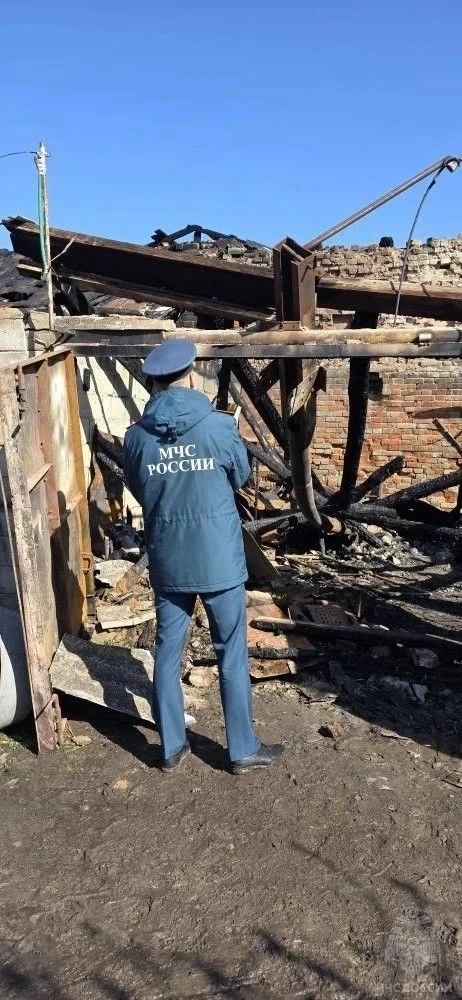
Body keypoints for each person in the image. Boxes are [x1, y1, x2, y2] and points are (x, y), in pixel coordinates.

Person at [123, 338, 283, 775]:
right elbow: (241, 475)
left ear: (154, 383)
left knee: (166, 654)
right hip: (218, 559)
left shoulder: (136, 437)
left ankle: (171, 747)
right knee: (231, 652)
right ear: (191, 375)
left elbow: (139, 488)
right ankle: (242, 750)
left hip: (168, 559)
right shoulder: (219, 426)